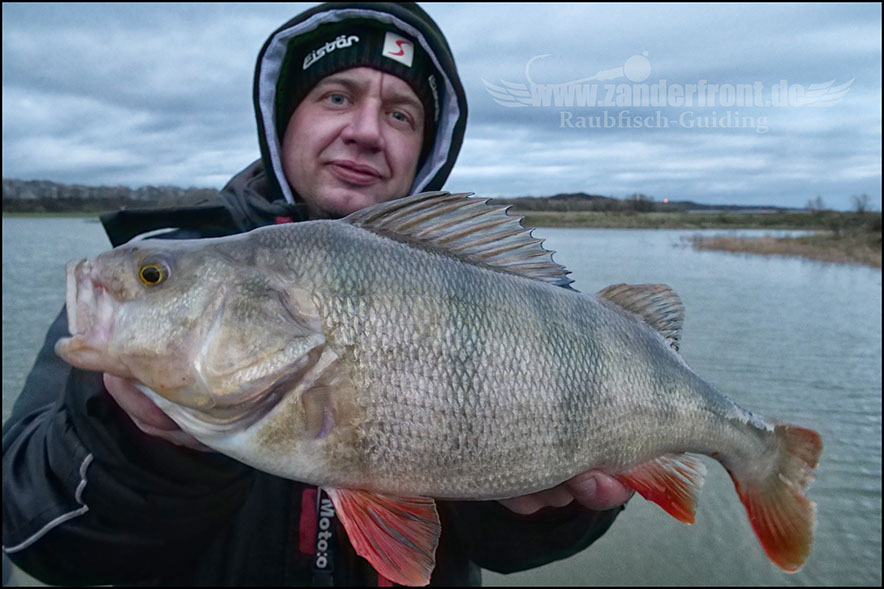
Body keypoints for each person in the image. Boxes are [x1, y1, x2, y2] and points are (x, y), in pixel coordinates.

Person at [2, 3, 631, 585]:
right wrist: (141, 449)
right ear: (284, 121)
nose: (365, 130)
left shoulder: (485, 283)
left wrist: (549, 508)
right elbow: (30, 527)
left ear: (426, 151)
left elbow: (500, 548)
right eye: (337, 96)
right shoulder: (183, 260)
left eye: (400, 113)